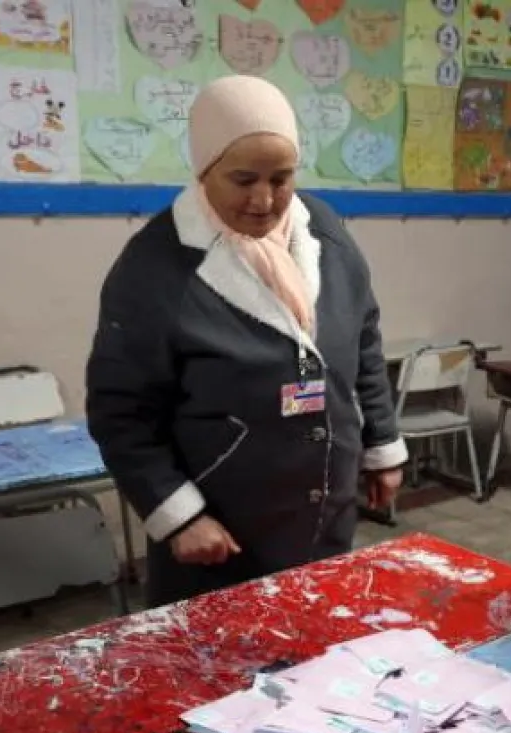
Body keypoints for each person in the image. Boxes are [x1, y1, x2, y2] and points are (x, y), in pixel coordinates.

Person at [86, 75, 408, 608]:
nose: (265, 200)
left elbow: (364, 344)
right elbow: (121, 412)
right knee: (217, 669)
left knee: (311, 654)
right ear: (204, 168)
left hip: (325, 512)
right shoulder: (154, 266)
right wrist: (179, 515)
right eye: (243, 179)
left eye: (281, 179)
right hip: (220, 534)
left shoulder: (322, 231)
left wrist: (382, 447)